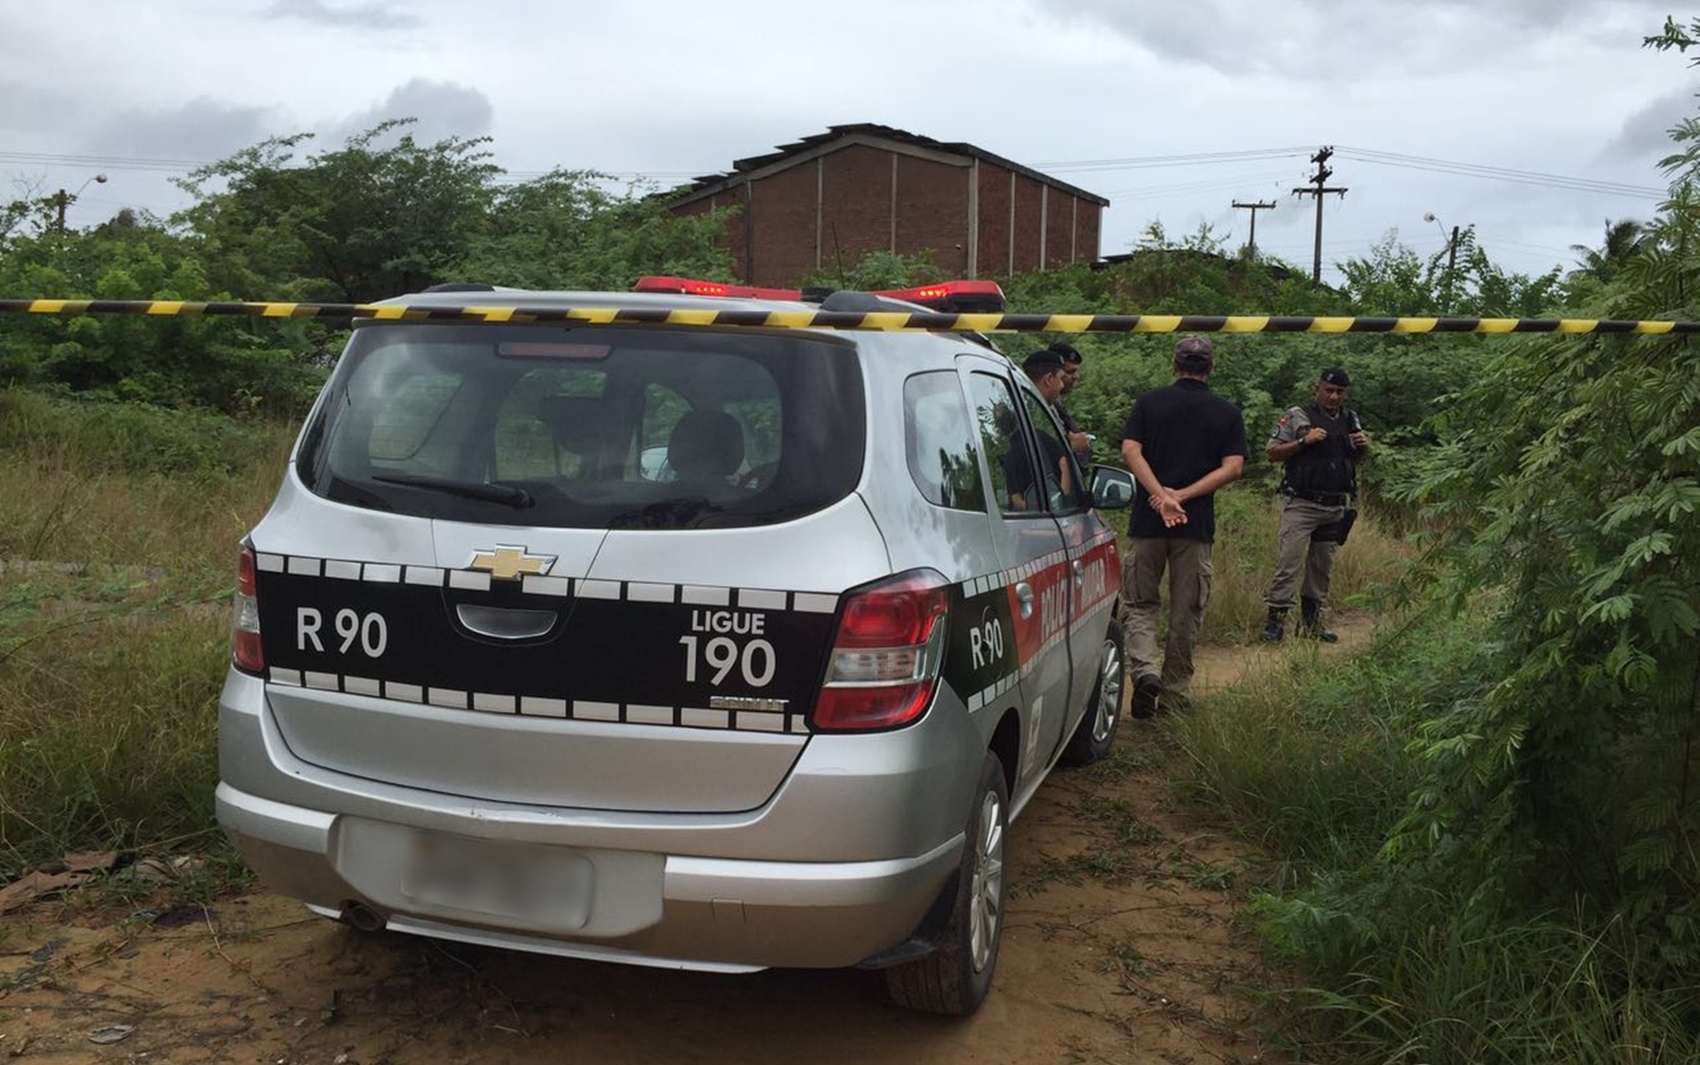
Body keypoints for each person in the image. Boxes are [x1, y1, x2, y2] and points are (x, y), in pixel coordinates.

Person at [1119, 335, 1247, 717]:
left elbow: (1130, 450)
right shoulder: (1227, 412)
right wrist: (1183, 497)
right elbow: (1234, 467)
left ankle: (1145, 673)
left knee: (1140, 603)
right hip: (1195, 526)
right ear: (1211, 367)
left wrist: (1160, 496)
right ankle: (1174, 695)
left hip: (1147, 522)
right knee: (1186, 610)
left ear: (1175, 364)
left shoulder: (1149, 403)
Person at [1259, 366, 1370, 643]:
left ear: (1346, 394)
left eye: (1340, 392)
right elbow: (1272, 452)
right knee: (1289, 563)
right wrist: (1303, 441)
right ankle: (1276, 623)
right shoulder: (1299, 416)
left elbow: (1351, 461)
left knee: (1322, 567)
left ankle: (1312, 624)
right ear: (1317, 389)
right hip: (1302, 502)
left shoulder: (1350, 419)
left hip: (1335, 505)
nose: (1333, 397)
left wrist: (1363, 446)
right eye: (1329, 390)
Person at [1049, 341, 1092, 461]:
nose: (1076, 376)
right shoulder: (1037, 407)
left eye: (1076, 371)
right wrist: (1070, 447)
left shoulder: (1057, 405)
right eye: (1070, 372)